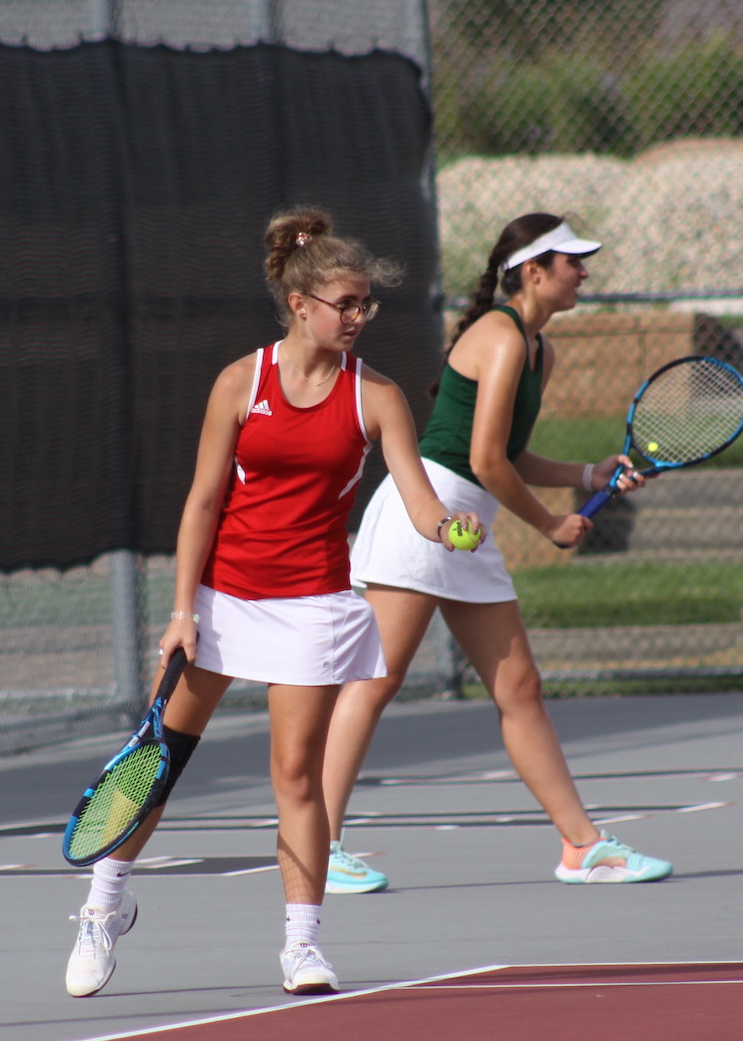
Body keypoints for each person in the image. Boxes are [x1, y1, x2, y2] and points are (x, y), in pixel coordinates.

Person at [65, 208, 483, 999]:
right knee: (154, 767)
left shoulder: (379, 397)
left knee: (297, 777)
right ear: (300, 303)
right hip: (223, 601)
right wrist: (183, 609)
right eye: (345, 304)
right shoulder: (239, 381)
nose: (358, 317)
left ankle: (302, 945)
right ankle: (101, 908)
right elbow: (200, 503)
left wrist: (449, 526)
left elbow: (421, 500)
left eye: (367, 304)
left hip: (314, 607)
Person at [320, 213, 673, 894]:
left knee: (520, 690)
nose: (585, 271)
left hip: (467, 526)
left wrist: (588, 475)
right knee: (375, 681)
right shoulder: (503, 339)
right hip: (424, 516)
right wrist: (548, 524)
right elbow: (482, 457)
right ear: (534, 271)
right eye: (574, 261)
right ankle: (319, 846)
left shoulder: (539, 349)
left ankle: (582, 847)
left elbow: (506, 455)